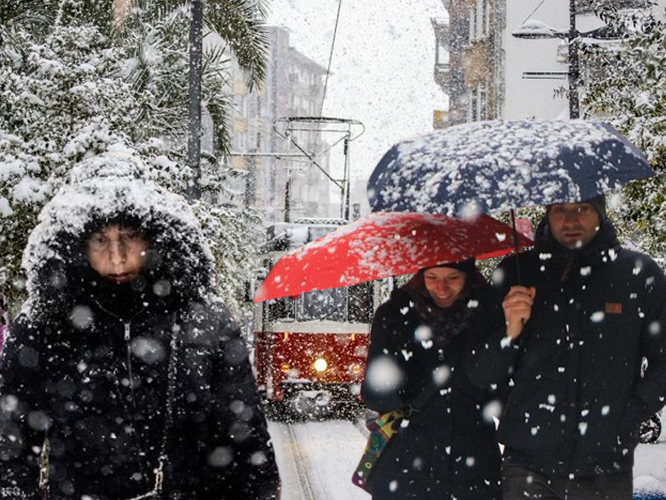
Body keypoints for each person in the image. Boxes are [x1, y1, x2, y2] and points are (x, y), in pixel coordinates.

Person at [0, 154, 281, 499]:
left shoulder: (204, 319)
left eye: (130, 236)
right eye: (100, 239)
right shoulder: (44, 325)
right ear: (76, 244)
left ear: (155, 236)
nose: (117, 256)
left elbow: (246, 443)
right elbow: (10, 447)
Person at [469, 195, 666, 500]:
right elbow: (480, 372)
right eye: (560, 209)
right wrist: (509, 332)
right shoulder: (516, 274)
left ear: (600, 212)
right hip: (527, 465)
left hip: (605, 466)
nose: (570, 220)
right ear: (547, 213)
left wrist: (632, 412)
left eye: (582, 209)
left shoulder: (638, 275)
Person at [360, 260, 503, 500]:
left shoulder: (490, 316)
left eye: (453, 277)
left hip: (474, 469)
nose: (442, 288)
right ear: (420, 277)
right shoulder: (394, 316)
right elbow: (373, 393)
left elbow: (500, 390)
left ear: (469, 278)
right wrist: (407, 384)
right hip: (407, 468)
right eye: (433, 277)